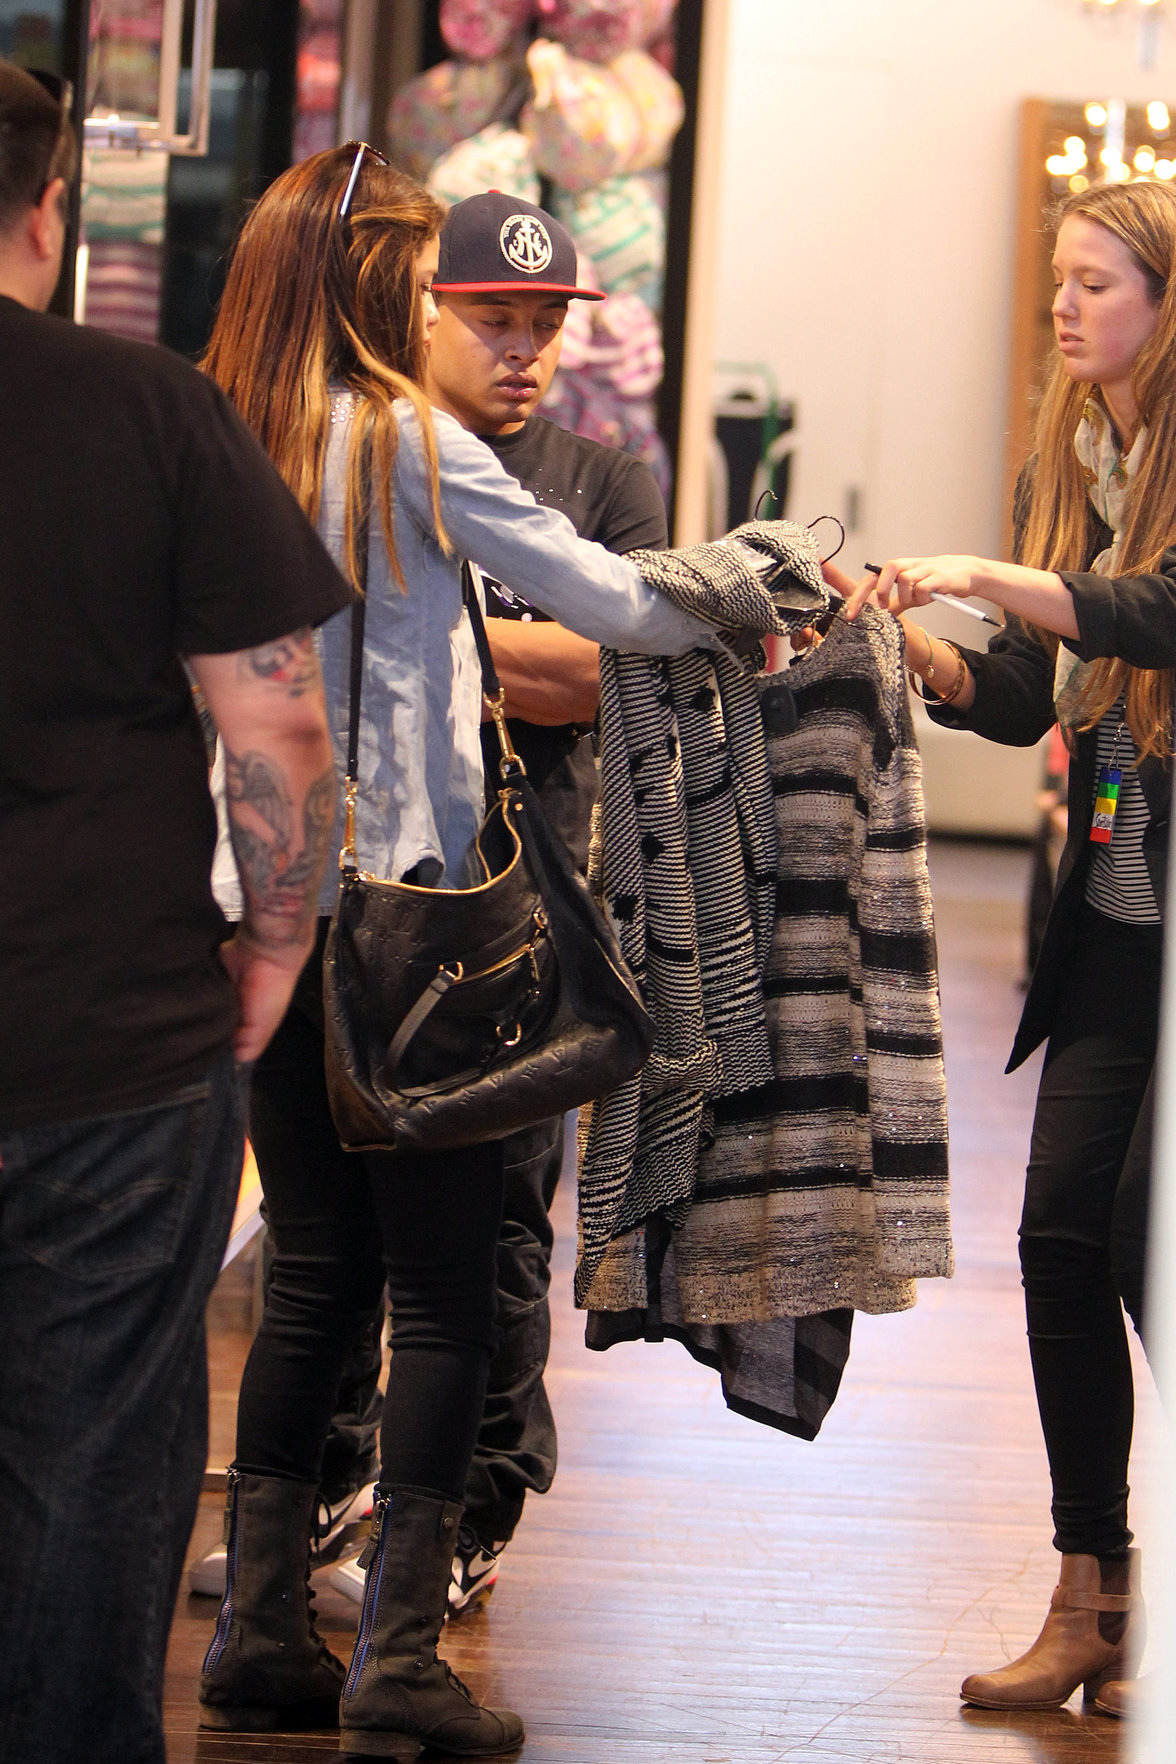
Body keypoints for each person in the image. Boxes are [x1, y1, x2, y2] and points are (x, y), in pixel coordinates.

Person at [196, 146, 730, 1758]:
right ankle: (401, 1662)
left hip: (256, 915)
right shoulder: (407, 441)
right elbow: (617, 608)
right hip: (416, 924)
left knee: (309, 1279)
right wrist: (765, 589)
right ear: (367, 276)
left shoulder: (231, 433)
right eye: (425, 270)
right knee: (437, 1293)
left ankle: (258, 1635)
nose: (446, 303)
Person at [0, 59, 352, 1764]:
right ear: (51, 207)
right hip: (111, 1036)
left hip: (109, 1040)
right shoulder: (151, 411)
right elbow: (279, 724)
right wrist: (278, 944)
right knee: (89, 1459)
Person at [841, 177, 1176, 1720]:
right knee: (1062, 1236)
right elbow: (1043, 690)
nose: (1064, 307)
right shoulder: (1080, 453)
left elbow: (1156, 614)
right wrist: (912, 645)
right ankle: (1090, 1595)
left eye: (1096, 283)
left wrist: (979, 569)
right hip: (1118, 891)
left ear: (1168, 303)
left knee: (1132, 1240)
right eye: (1058, 280)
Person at [318, 189, 671, 1618]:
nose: (522, 351)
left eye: (541, 326)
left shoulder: (605, 474)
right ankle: (335, 1486)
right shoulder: (375, 448)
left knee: (506, 1214)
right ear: (428, 315)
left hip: (533, 890)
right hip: (384, 875)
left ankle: (472, 1507)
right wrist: (530, 629)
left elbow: (605, 668)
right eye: (494, 321)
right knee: (337, 1206)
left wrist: (457, 626)